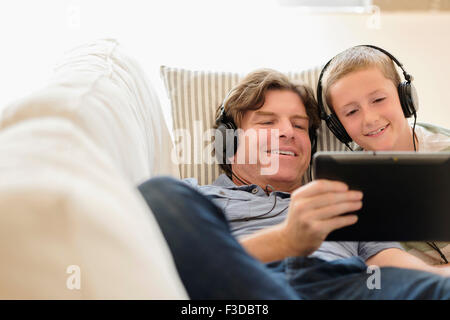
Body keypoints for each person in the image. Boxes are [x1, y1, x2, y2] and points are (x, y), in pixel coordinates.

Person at [138, 66, 450, 299]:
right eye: (267, 121)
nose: (288, 132)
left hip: (346, 288)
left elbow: (397, 267)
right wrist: (286, 240)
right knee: (159, 193)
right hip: (250, 290)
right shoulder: (195, 199)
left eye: (299, 126)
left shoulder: (343, 197)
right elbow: (165, 270)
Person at [318, 45, 450, 266]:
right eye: (351, 112)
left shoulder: (444, 149)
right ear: (339, 128)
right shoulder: (346, 185)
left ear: (405, 98)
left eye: (378, 100)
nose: (369, 119)